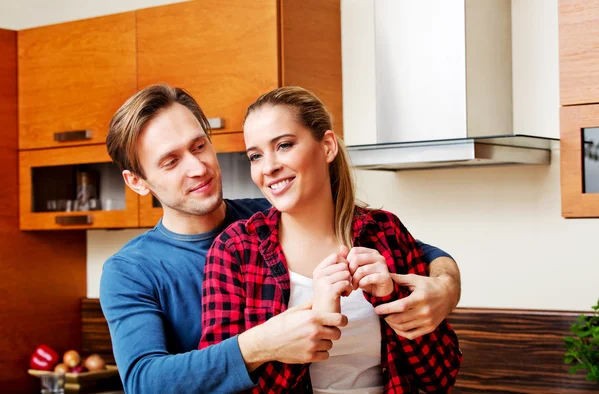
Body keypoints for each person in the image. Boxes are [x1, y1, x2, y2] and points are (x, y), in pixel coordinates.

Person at [100, 84, 461, 393]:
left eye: (198, 147)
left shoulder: (278, 209)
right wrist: (263, 344)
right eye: (170, 162)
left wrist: (445, 287)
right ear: (136, 182)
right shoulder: (135, 270)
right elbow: (145, 382)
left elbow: (411, 248)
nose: (197, 168)